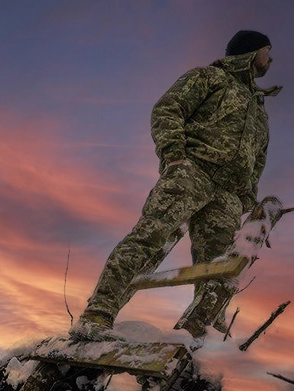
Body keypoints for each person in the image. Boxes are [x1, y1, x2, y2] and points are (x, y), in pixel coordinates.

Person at [70, 30, 282, 341]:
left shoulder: (260, 110)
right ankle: (98, 314)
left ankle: (199, 336)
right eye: (267, 51)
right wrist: (174, 156)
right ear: (250, 53)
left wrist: (246, 195)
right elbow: (168, 108)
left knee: (218, 268)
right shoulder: (209, 77)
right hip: (191, 172)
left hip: (228, 195)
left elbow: (259, 158)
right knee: (149, 237)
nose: (270, 59)